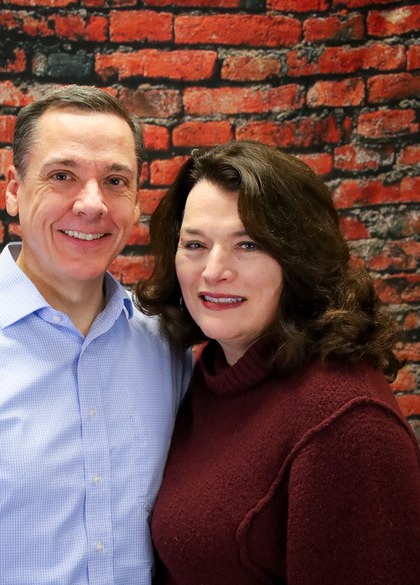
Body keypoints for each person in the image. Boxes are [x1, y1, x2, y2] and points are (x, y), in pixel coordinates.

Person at [0, 85, 191, 585]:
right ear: (13, 190)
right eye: (62, 176)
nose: (92, 204)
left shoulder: (168, 349)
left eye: (115, 181)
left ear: (136, 203)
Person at [135, 140, 420, 585]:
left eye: (248, 244)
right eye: (195, 244)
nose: (213, 270)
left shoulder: (347, 424)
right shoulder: (214, 372)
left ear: (298, 257)